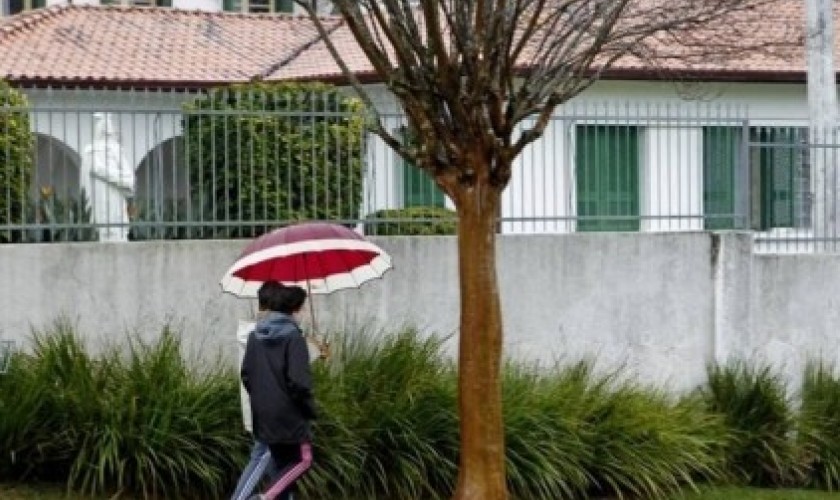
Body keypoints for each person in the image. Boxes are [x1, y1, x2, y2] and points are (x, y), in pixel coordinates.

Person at [240, 281, 316, 500]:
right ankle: (265, 498)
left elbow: (247, 374)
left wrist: (263, 398)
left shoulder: (255, 336)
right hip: (289, 415)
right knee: (304, 460)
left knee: (280, 464)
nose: (303, 314)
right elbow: (299, 382)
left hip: (262, 414)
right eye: (302, 309)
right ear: (294, 310)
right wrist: (309, 408)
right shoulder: (294, 338)